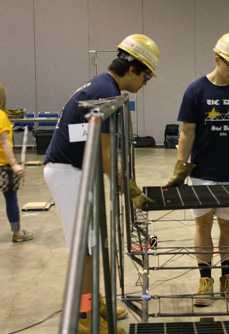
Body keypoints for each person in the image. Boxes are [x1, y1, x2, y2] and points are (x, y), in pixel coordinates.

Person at [44, 34, 159, 333]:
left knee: (92, 245)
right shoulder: (104, 92)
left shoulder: (104, 87)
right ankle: (83, 318)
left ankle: (91, 301)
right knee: (85, 248)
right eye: (146, 76)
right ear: (132, 69)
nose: (146, 84)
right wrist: (129, 189)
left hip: (78, 170)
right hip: (68, 171)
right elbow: (106, 156)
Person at [165, 32, 229, 308]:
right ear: (217, 60)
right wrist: (180, 169)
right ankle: (205, 280)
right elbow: (186, 132)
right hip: (202, 172)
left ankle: (228, 277)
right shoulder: (196, 90)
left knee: (228, 225)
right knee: (203, 224)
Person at [0, 84, 33, 243]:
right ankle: (17, 232)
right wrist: (14, 164)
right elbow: (5, 142)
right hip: (4, 166)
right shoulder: (1, 117)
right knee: (11, 198)